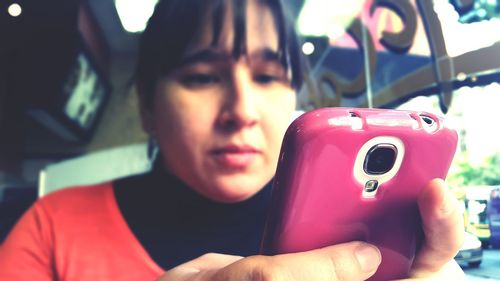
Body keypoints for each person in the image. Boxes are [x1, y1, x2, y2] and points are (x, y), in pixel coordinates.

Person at [0, 0, 466, 280]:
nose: (241, 111)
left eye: (267, 76)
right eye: (201, 77)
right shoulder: (51, 229)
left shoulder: (381, 233)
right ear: (147, 105)